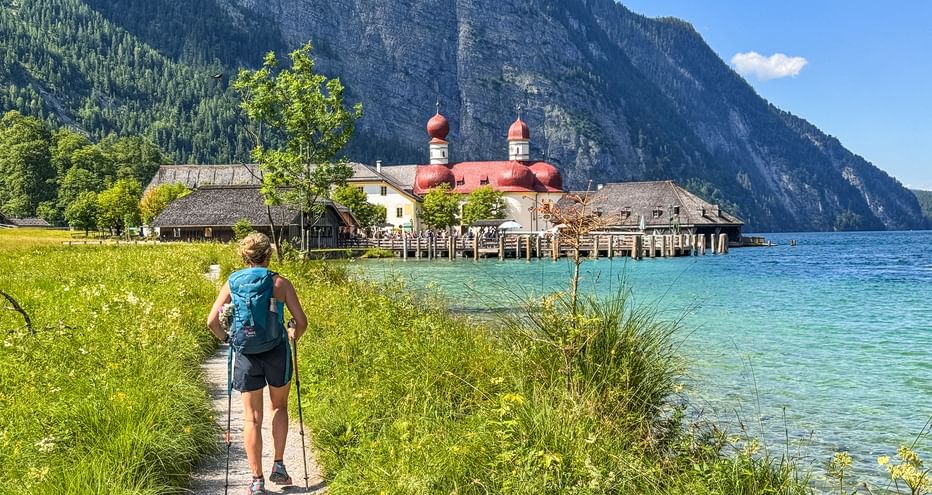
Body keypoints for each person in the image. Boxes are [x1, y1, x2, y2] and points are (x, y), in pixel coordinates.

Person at [207, 232, 308, 495]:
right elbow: (301, 322)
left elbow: (212, 322)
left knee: (251, 418)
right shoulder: (280, 283)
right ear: (268, 254)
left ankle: (256, 480)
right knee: (279, 406)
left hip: (246, 354)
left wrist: (228, 339)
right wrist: (292, 334)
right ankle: (279, 466)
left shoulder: (232, 282)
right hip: (277, 352)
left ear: (244, 256)